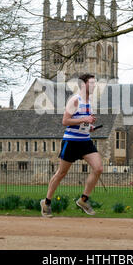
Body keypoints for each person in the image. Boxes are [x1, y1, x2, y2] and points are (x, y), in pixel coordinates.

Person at [40, 73, 103, 217]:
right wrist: (83, 119)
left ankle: (83, 200)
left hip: (85, 141)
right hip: (71, 141)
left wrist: (89, 126)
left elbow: (83, 122)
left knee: (98, 168)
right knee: (61, 173)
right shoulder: (75, 100)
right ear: (83, 85)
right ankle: (47, 202)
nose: (94, 86)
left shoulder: (89, 101)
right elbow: (65, 121)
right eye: (91, 83)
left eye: (95, 83)